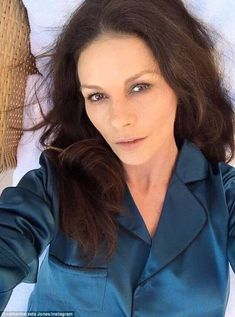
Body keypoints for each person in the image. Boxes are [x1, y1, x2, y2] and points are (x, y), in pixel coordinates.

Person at [0, 0, 235, 315]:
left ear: (180, 83)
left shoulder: (225, 196)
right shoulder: (55, 184)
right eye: (97, 96)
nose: (119, 120)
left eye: (139, 87)